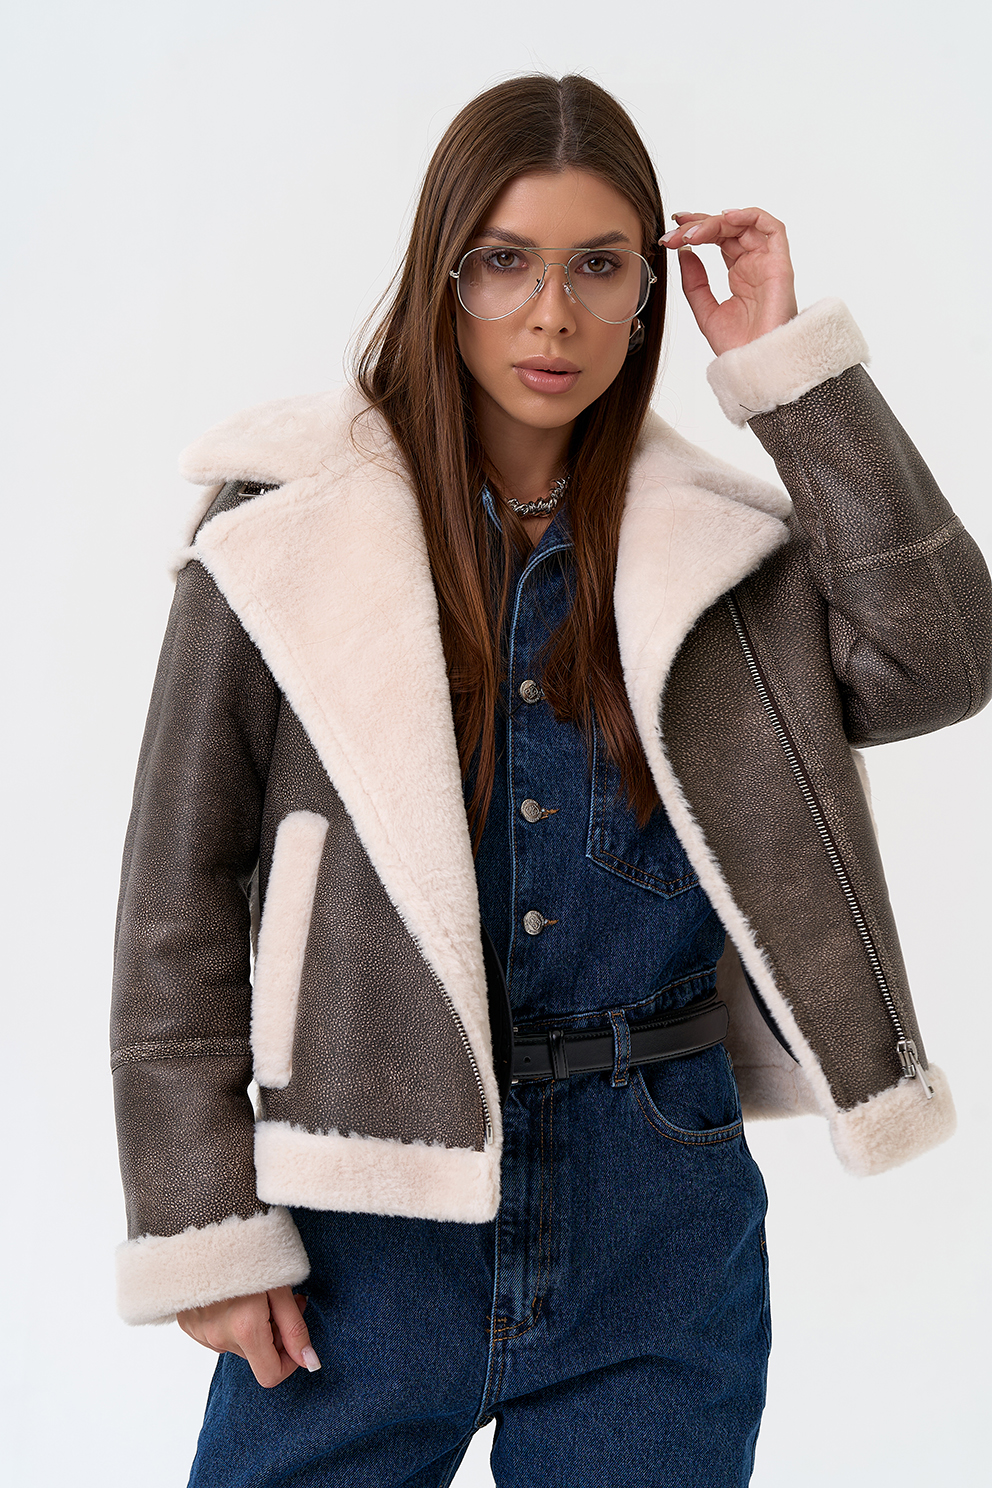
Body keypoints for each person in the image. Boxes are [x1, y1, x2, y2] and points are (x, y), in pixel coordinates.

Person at [110, 73, 991, 1487]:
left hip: (661, 1208)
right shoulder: (287, 528)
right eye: (505, 263)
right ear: (441, 275)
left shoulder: (719, 554)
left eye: (599, 266)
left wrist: (790, 372)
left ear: (648, 289)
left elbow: (940, 659)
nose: (551, 315)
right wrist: (203, 1223)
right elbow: (179, 892)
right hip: (365, 1214)